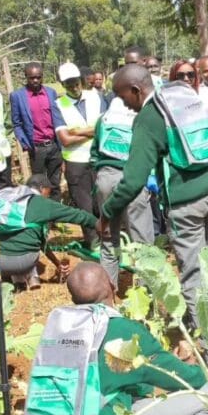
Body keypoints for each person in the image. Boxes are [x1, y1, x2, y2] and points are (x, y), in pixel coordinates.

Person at [35, 262, 208, 415]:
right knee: (207, 397)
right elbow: (190, 381)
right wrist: (190, 363)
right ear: (113, 286)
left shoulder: (58, 324)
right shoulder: (124, 330)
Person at [98, 64, 208, 323]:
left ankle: (203, 341)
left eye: (123, 97)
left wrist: (106, 212)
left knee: (192, 272)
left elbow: (133, 179)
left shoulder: (149, 116)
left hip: (188, 203)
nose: (124, 105)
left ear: (135, 90)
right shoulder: (179, 97)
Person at [91, 91, 158, 284]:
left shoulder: (103, 119)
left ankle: (108, 291)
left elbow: (94, 154)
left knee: (109, 238)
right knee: (142, 242)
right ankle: (145, 291)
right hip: (132, 180)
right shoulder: (140, 119)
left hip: (105, 179)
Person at [0, 179, 96, 289]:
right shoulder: (39, 202)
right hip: (23, 262)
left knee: (20, 236)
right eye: (48, 193)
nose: (48, 197)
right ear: (42, 189)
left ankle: (17, 282)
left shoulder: (5, 198)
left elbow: (41, 242)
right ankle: (32, 277)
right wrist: (98, 223)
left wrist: (57, 263)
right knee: (26, 242)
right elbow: (76, 215)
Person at [55, 62, 107, 251]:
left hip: (99, 159)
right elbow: (65, 139)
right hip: (76, 164)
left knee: (102, 202)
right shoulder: (58, 105)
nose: (73, 86)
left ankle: (108, 239)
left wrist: (78, 131)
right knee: (84, 206)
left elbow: (105, 128)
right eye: (68, 83)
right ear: (62, 84)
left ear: (81, 80)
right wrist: (92, 130)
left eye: (75, 82)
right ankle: (93, 243)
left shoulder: (96, 97)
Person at [10, 62, 62, 196]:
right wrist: (26, 144)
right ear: (26, 77)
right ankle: (42, 212)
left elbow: (57, 116)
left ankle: (56, 210)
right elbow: (16, 123)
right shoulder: (18, 96)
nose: (35, 80)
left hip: (54, 145)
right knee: (38, 183)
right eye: (32, 77)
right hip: (36, 148)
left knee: (55, 182)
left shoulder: (51, 93)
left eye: (38, 77)